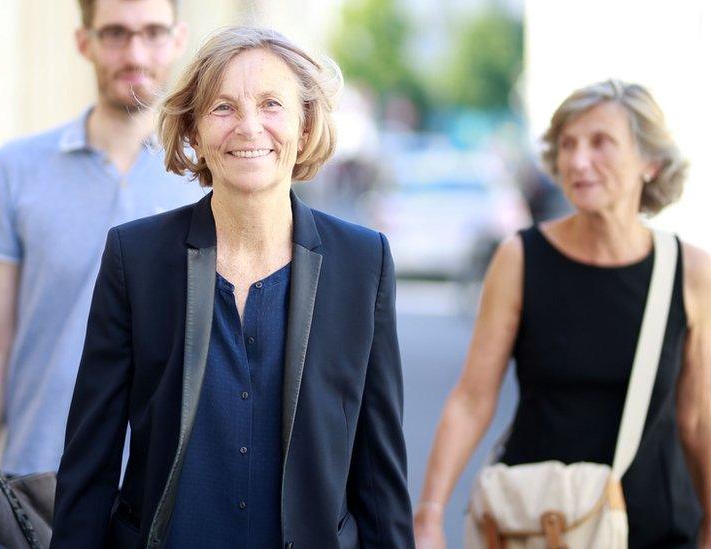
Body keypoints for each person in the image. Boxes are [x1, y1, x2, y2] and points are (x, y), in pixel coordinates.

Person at [51, 26, 413, 549]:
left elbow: (380, 473)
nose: (248, 127)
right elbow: (91, 456)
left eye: (271, 104)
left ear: (305, 124)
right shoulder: (137, 257)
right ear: (194, 129)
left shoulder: (363, 262)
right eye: (223, 107)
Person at [413, 80, 711, 548]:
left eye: (600, 143)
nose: (576, 161)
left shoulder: (690, 272)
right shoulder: (521, 258)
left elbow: (698, 420)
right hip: (537, 525)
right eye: (567, 145)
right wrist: (429, 515)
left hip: (655, 528)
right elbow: (473, 398)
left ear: (650, 163)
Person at [0, 0, 202, 484]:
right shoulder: (17, 169)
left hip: (176, 482)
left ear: (178, 40)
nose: (134, 53)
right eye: (115, 33)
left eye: (152, 32)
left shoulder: (209, 175)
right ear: (83, 42)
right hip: (41, 474)